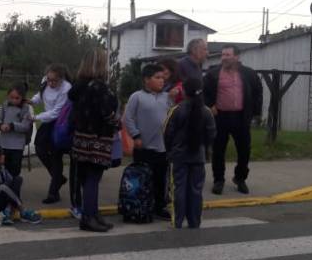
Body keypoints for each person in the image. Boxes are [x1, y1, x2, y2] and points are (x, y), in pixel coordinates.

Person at [69, 49, 119, 233]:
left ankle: (92, 213)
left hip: (81, 137)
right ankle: (89, 217)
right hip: (98, 137)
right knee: (93, 178)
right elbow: (107, 112)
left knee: (86, 178)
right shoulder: (99, 87)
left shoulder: (79, 86)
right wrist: (118, 123)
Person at [203, 45, 263, 195]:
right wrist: (210, 105)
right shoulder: (213, 73)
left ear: (237, 57)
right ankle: (218, 180)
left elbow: (257, 92)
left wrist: (255, 113)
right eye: (223, 55)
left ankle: (240, 178)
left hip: (241, 117)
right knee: (218, 150)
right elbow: (204, 92)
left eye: (228, 55)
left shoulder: (248, 73)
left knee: (244, 150)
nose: (224, 58)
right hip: (220, 117)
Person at [164, 77, 216, 228]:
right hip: (198, 157)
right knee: (195, 190)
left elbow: (167, 133)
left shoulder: (176, 110)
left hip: (179, 157)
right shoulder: (206, 112)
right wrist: (205, 149)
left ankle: (177, 221)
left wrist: (170, 151)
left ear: (184, 91)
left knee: (178, 189)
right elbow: (211, 134)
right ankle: (194, 221)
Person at [123, 63, 172, 220]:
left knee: (160, 178)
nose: (161, 81)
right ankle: (142, 205)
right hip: (143, 146)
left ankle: (159, 206)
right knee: (144, 178)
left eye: (163, 78)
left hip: (162, 146)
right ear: (146, 80)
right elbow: (128, 118)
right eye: (157, 78)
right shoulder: (136, 97)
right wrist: (135, 136)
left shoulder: (167, 97)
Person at [31, 64, 72, 204]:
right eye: (49, 79)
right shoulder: (45, 81)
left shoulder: (66, 89)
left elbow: (57, 112)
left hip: (60, 123)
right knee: (39, 148)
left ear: (61, 79)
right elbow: (40, 95)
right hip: (47, 121)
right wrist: (32, 101)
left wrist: (36, 117)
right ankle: (58, 177)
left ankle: (53, 192)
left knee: (56, 155)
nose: (50, 83)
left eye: (54, 81)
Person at [0, 82, 34, 178]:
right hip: (4, 143)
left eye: (17, 98)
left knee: (15, 169)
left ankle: (13, 187)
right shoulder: (5, 105)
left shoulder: (25, 108)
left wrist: (12, 126)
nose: (14, 100)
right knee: (3, 167)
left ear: (22, 97)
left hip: (17, 145)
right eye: (11, 97)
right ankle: (3, 185)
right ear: (8, 96)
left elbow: (25, 125)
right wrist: (0, 125)